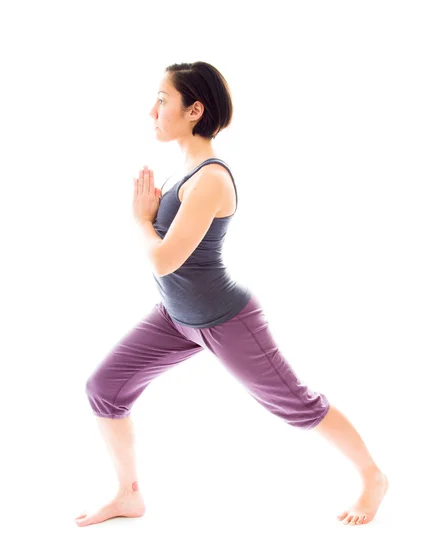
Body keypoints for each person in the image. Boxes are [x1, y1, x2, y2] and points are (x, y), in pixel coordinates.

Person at [75, 61, 388, 528]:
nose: (152, 110)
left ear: (195, 109)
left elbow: (164, 260)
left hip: (224, 318)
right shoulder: (188, 170)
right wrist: (147, 217)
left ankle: (372, 477)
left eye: (163, 100)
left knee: (297, 404)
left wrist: (140, 219)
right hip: (175, 318)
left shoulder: (212, 179)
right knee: (104, 389)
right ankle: (128, 495)